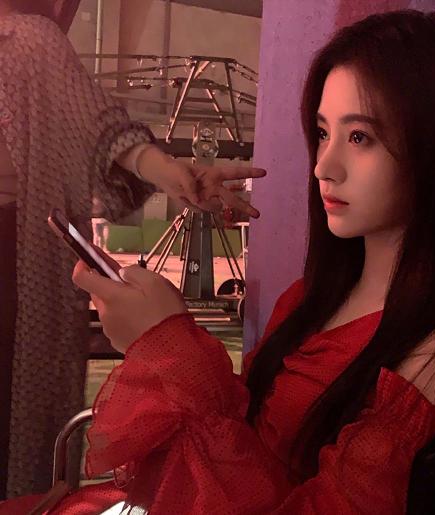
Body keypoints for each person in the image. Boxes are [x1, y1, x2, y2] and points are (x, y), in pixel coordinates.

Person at [0, 8, 435, 514]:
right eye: (322, 133)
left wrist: (168, 346)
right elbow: (239, 436)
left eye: (360, 137)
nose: (324, 166)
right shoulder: (309, 298)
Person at [0, 0, 265, 498]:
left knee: (12, 426)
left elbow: (102, 128)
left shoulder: (27, 41)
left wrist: (171, 172)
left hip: (13, 267)